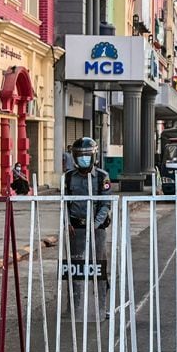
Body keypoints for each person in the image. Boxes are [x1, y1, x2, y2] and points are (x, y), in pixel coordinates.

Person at [64, 137, 112, 320]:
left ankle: (101, 308)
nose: (83, 160)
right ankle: (74, 308)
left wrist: (95, 224)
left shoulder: (102, 176)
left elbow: (105, 204)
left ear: (94, 156)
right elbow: (64, 204)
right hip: (75, 229)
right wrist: (67, 222)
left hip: (97, 229)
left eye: (86, 156)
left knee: (98, 269)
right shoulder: (68, 177)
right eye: (79, 156)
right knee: (75, 268)